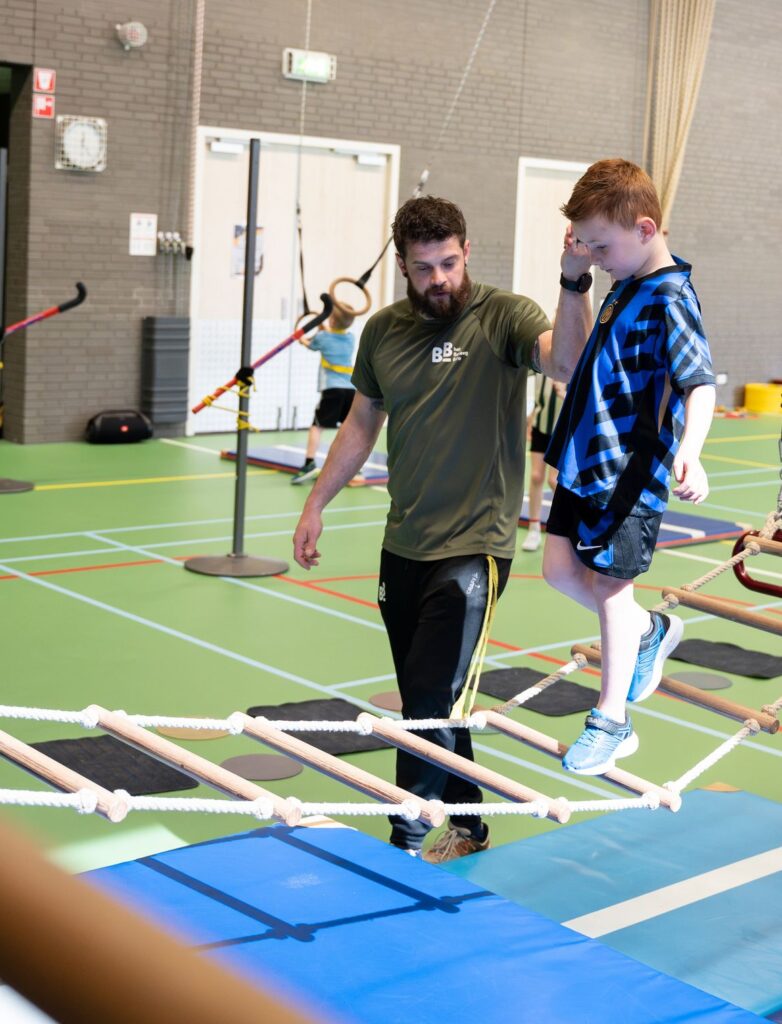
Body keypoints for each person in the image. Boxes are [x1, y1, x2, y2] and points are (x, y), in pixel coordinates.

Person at [293, 195, 590, 861]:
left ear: (466, 251)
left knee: (428, 697)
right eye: (424, 268)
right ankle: (470, 826)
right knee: (430, 700)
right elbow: (361, 422)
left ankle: (402, 840)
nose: (440, 279)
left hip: (475, 549)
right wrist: (316, 504)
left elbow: (566, 363)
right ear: (402, 265)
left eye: (450, 263)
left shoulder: (504, 317)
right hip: (403, 544)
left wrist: (573, 282)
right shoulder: (384, 332)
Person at [541, 158, 716, 775]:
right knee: (557, 570)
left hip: (628, 475)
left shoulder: (671, 297)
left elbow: (700, 383)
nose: (595, 256)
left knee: (612, 591)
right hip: (584, 462)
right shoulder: (624, 280)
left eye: (602, 246)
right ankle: (648, 631)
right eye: (586, 245)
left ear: (645, 229)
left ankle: (611, 720)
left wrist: (691, 450)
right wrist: (575, 275)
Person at [291, 304, 357, 485]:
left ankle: (309, 464)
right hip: (351, 390)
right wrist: (324, 327)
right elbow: (332, 334)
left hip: (332, 389)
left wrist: (300, 337)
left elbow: (310, 344)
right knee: (348, 429)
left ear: (331, 320)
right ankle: (351, 467)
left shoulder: (322, 337)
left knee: (317, 427)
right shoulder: (350, 338)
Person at [521, 373, 565, 552]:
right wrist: (530, 420)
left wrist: (563, 393)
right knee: (536, 476)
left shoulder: (572, 365)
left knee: (554, 480)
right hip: (540, 426)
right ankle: (534, 529)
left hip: (562, 429)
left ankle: (568, 527)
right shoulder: (541, 367)